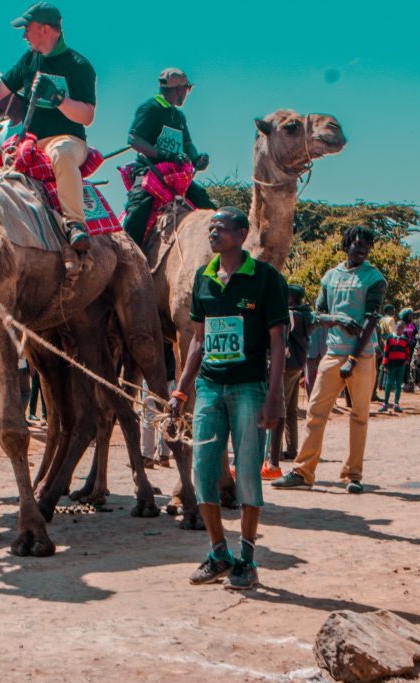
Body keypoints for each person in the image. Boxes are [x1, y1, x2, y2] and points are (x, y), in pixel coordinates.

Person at [167, 207, 289, 590]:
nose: (213, 233)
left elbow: (278, 340)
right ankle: (218, 552)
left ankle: (247, 559)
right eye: (211, 228)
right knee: (202, 472)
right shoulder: (203, 278)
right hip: (208, 388)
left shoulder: (266, 279)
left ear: (241, 234)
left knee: (248, 473)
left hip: (249, 388)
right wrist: (181, 389)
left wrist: (275, 395)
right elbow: (198, 341)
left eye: (220, 228)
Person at [0, 2, 97, 253]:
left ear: (45, 29)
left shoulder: (79, 65)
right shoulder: (29, 60)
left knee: (61, 154)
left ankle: (75, 223)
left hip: (68, 140)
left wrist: (59, 99)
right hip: (30, 143)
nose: (24, 35)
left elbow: (87, 116)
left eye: (27, 28)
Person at [273, 226, 386, 494]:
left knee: (359, 415)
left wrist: (353, 359)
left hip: (362, 356)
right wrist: (336, 320)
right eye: (357, 244)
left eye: (367, 245)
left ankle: (352, 475)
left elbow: (371, 320)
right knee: (315, 412)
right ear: (346, 245)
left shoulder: (375, 279)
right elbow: (318, 315)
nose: (362, 249)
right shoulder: (330, 277)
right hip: (333, 353)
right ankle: (303, 472)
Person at [121, 67, 217, 248]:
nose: (187, 93)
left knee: (207, 205)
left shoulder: (178, 116)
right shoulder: (151, 108)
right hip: (149, 172)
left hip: (175, 176)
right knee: (138, 210)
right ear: (180, 90)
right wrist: (166, 155)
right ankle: (128, 254)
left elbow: (187, 143)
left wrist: (196, 158)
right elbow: (134, 139)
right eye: (187, 89)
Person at [267, 284, 313, 470]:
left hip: (287, 365)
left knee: (280, 407)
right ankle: (292, 449)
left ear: (291, 298)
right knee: (291, 410)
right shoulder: (305, 314)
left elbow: (282, 337)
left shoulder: (291, 315)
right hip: (298, 364)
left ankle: (276, 451)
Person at [379, 321, 409, 413]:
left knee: (398, 385)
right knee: (388, 384)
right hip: (391, 365)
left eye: (402, 328)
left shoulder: (405, 339)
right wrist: (385, 364)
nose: (400, 329)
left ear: (404, 329)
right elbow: (386, 352)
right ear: (395, 327)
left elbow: (407, 351)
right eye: (398, 327)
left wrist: (406, 360)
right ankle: (385, 404)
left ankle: (396, 404)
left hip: (401, 365)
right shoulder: (389, 338)